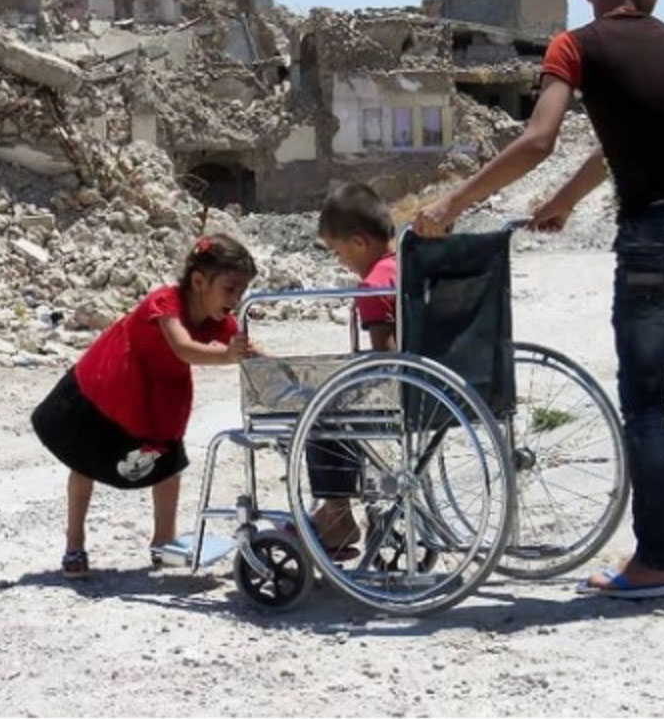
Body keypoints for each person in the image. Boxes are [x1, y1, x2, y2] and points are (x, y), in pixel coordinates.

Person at [413, 0, 664, 600]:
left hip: (655, 244)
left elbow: (538, 137)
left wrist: (452, 205)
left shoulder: (573, 47)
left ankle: (657, 562)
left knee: (646, 405)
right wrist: (566, 201)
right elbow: (620, 145)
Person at [31, 234, 259, 579]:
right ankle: (74, 543)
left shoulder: (215, 319)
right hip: (110, 387)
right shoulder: (165, 303)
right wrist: (228, 355)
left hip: (157, 399)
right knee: (84, 461)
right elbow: (183, 348)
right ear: (199, 282)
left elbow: (249, 349)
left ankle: (163, 542)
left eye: (241, 292)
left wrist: (289, 373)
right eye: (230, 289)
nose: (236, 299)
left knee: (168, 465)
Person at [305, 182, 399, 558]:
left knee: (320, 409)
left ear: (358, 243)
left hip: (404, 390)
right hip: (446, 381)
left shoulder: (374, 285)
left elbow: (386, 356)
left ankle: (336, 515)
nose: (342, 261)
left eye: (339, 253)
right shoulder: (412, 263)